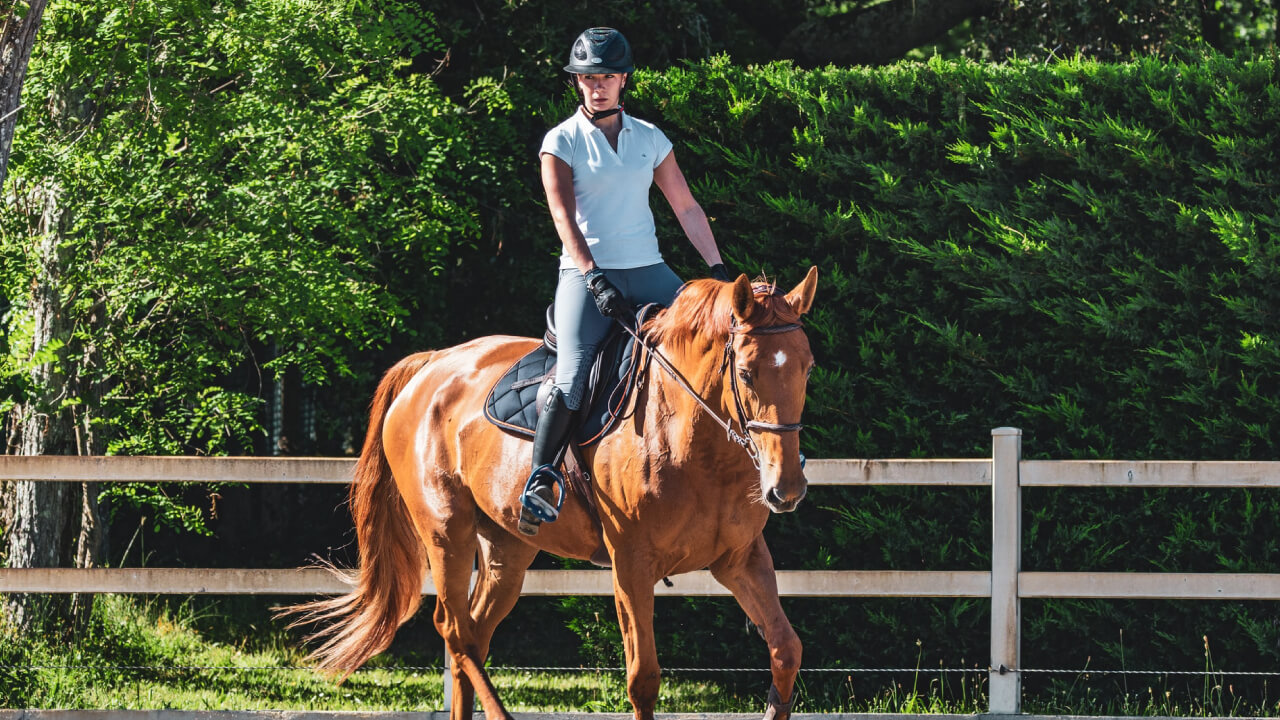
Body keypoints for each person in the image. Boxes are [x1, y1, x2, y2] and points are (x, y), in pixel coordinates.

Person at [519, 27, 731, 536]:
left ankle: (756, 449)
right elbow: (562, 216)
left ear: (623, 79)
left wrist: (718, 270)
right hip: (585, 274)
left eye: (606, 76)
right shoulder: (561, 141)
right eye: (588, 78)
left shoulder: (650, 138)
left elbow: (686, 205)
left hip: (650, 269)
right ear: (578, 83)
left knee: (724, 334)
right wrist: (592, 276)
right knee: (571, 373)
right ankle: (540, 479)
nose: (597, 86)